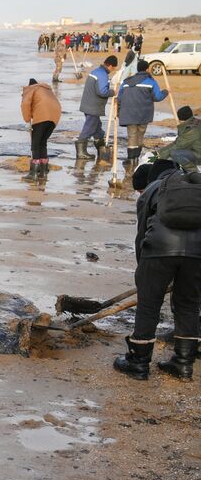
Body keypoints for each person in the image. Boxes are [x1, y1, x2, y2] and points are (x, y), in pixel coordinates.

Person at [113, 161, 201, 380]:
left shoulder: (152, 189)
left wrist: (142, 272)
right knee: (188, 305)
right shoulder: (196, 188)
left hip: (159, 250)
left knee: (149, 305)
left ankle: (138, 363)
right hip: (198, 253)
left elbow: (141, 234)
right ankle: (183, 365)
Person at [117, 60, 170, 172]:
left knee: (132, 135)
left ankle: (131, 161)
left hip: (129, 113)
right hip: (143, 114)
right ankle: (135, 160)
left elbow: (119, 98)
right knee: (140, 135)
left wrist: (118, 111)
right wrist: (166, 92)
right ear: (146, 69)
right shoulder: (151, 82)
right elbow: (157, 97)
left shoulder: (126, 81)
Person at [76, 55, 118, 160]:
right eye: (114, 68)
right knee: (89, 127)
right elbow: (102, 92)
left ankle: (101, 149)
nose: (113, 70)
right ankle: (81, 152)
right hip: (93, 106)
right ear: (111, 66)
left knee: (97, 128)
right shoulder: (102, 75)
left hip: (88, 104)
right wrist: (113, 92)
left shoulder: (96, 71)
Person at [21, 79, 62, 182]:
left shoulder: (31, 89)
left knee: (35, 144)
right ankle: (43, 172)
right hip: (54, 116)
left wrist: (27, 120)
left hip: (42, 116)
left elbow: (25, 104)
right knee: (42, 142)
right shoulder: (47, 89)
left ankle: (33, 174)